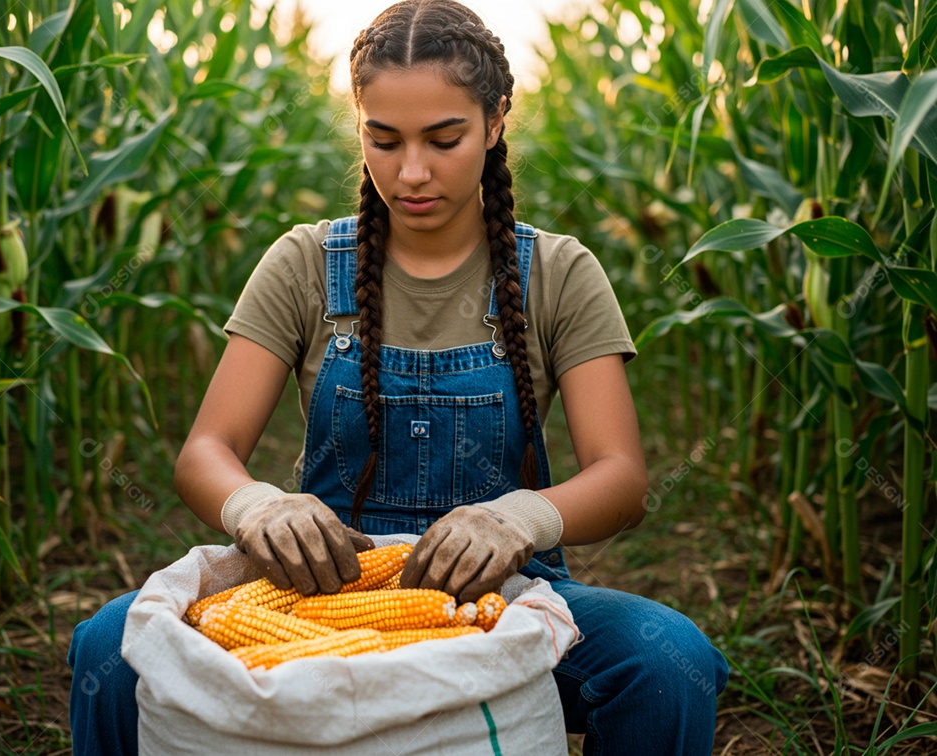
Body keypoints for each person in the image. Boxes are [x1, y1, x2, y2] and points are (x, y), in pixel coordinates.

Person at [67, 0, 730, 753]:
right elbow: (205, 451)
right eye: (383, 140)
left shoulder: (559, 272)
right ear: (359, 125)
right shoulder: (306, 263)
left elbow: (622, 479)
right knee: (108, 649)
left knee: (667, 663)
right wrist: (257, 507)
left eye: (444, 139)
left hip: (501, 601)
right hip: (312, 594)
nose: (411, 172)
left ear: (496, 120)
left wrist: (518, 519)